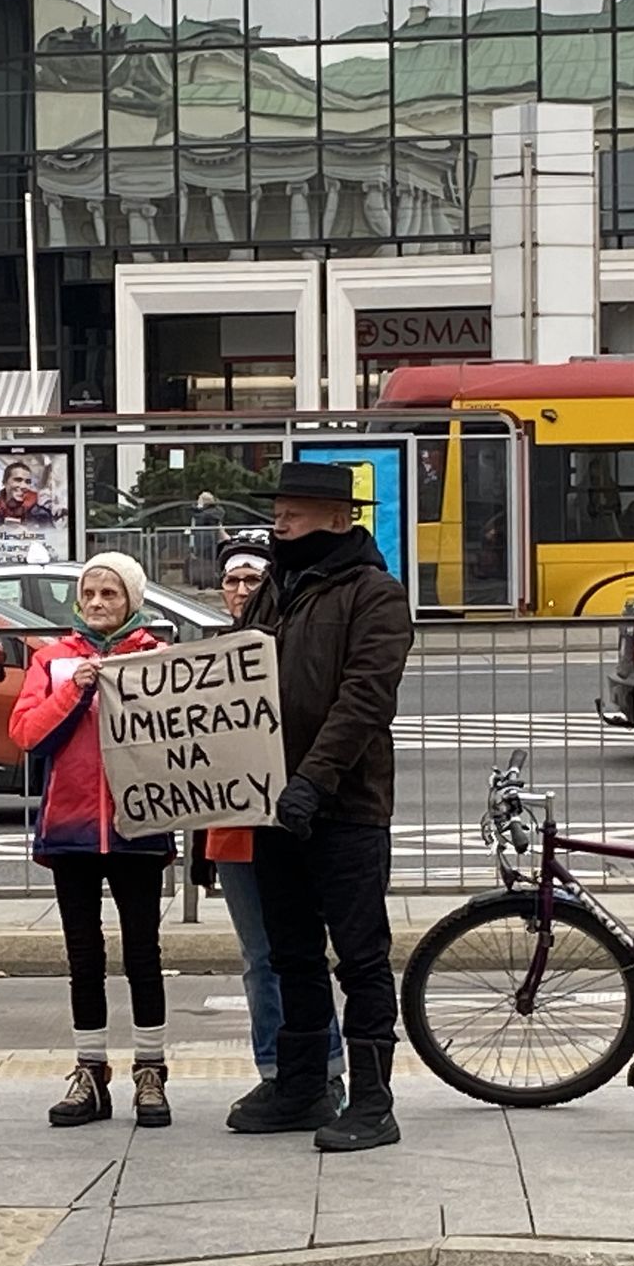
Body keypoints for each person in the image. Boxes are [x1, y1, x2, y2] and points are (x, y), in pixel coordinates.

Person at [225, 463, 413, 1152]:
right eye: (278, 513)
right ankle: (302, 1084)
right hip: (273, 804)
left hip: (345, 807)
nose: (280, 525)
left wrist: (313, 781)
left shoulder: (374, 594)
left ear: (339, 518)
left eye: (294, 514)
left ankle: (373, 1100)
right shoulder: (275, 589)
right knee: (290, 952)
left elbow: (365, 698)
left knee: (360, 957)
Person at [8, 553, 175, 1129]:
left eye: (111, 593)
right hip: (71, 829)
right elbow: (26, 733)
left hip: (138, 826)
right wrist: (73, 692)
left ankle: (150, 1071)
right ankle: (90, 1071)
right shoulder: (53, 660)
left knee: (143, 952)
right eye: (90, 593)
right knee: (83, 955)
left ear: (133, 601)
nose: (99, 603)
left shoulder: (157, 657)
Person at [205, 536, 346, 1123]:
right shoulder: (207, 658)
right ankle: (277, 1070)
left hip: (287, 822)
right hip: (233, 829)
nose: (241, 591)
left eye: (253, 580)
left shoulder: (291, 647)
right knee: (259, 955)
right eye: (232, 581)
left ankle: (323, 1070)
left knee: (297, 951)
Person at [0, 462, 57, 528]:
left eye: (28, 482)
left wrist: (31, 535)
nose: (24, 486)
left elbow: (51, 537)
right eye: (18, 480)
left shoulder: (42, 515)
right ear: (4, 482)